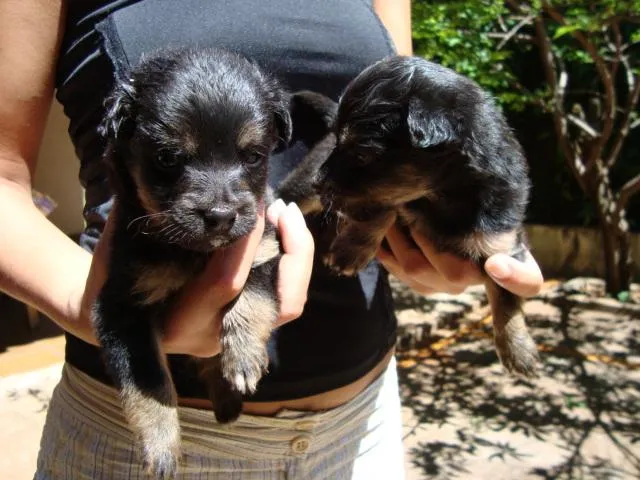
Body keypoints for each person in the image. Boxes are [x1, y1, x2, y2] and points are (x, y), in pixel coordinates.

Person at [0, 0, 544, 478]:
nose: (217, 205)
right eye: (171, 158)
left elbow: (407, 132)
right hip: (143, 443)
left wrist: (452, 232)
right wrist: (97, 309)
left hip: (364, 422)